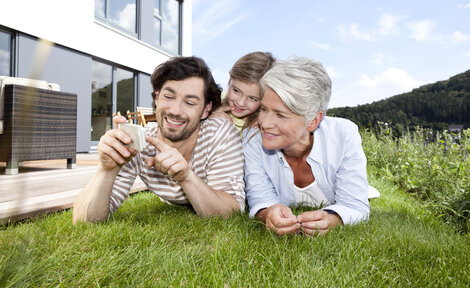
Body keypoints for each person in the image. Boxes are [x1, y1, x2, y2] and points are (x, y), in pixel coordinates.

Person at [73, 56, 245, 223]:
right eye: (169, 97)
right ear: (157, 98)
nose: (175, 110)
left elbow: (231, 212)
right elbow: (84, 220)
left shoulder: (219, 134)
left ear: (206, 110)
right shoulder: (139, 143)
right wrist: (106, 170)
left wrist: (185, 176)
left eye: (190, 103)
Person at [243, 56, 370, 236]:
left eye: (280, 115)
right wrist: (267, 214)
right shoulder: (252, 138)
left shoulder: (344, 135)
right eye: (263, 109)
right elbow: (260, 199)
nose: (265, 123)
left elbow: (356, 206)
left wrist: (333, 220)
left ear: (313, 120)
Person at [211, 52, 276, 133]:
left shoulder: (261, 125)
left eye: (252, 98)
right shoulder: (213, 103)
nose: (241, 103)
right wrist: (208, 118)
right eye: (236, 91)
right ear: (230, 78)